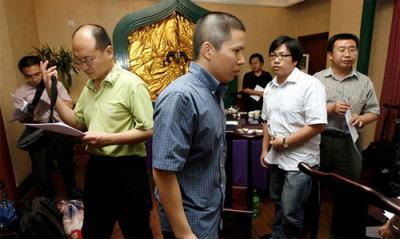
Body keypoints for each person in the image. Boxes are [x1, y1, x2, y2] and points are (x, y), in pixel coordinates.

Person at [40, 24, 154, 238]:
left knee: (136, 230)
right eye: (78, 60)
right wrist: (52, 93)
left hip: (128, 171)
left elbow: (149, 130)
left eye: (89, 59)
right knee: (94, 228)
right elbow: (77, 122)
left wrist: (109, 139)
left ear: (109, 52)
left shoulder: (132, 85)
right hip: (97, 169)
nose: (84, 66)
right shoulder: (90, 86)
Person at [152, 12, 246, 239]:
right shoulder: (182, 96)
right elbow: (163, 172)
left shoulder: (213, 92)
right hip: (189, 223)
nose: (242, 59)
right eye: (236, 50)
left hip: (207, 215)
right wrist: (184, 233)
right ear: (208, 50)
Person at [259, 36, 327, 239]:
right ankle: (277, 236)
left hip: (300, 161)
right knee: (277, 202)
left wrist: (286, 142)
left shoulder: (310, 85)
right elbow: (266, 121)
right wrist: (265, 149)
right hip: (277, 158)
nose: (276, 61)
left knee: (291, 211)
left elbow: (317, 124)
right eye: (273, 56)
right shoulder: (270, 87)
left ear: (295, 59)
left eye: (282, 56)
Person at [313, 33, 380, 238]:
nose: (348, 54)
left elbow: (374, 111)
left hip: (350, 143)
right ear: (330, 55)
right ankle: (310, 228)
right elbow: (306, 109)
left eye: (352, 49)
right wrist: (331, 108)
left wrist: (362, 119)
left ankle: (340, 233)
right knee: (313, 189)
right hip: (320, 141)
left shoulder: (364, 81)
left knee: (348, 192)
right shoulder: (317, 79)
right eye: (342, 50)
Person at [14, 55, 83, 202]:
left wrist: (52, 102)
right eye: (29, 76)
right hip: (38, 133)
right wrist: (30, 115)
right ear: (23, 75)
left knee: (66, 165)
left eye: (37, 74)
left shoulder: (56, 85)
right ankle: (47, 200)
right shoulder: (21, 92)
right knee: (41, 170)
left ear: (43, 70)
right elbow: (20, 118)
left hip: (59, 130)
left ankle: (72, 192)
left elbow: (69, 104)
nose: (34, 79)